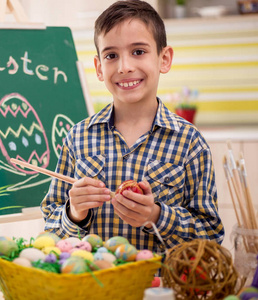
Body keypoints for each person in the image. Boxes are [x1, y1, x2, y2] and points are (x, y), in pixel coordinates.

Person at [40, 0, 224, 254]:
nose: (124, 66)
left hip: (159, 291)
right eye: (111, 55)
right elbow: (50, 233)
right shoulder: (77, 138)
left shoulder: (190, 142)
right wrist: (75, 213)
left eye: (138, 51)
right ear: (99, 68)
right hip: (91, 288)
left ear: (164, 59)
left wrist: (157, 216)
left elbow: (211, 238)